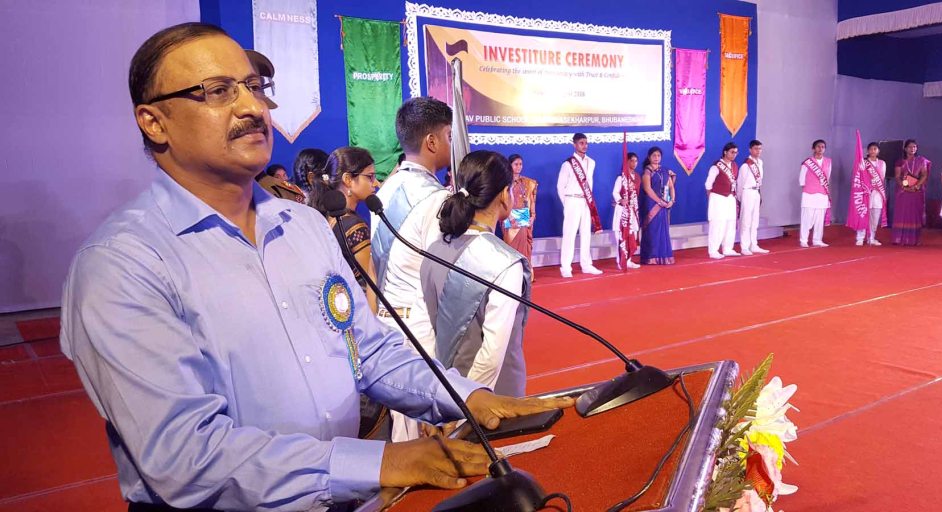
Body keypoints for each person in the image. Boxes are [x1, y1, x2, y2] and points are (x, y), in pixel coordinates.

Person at [59, 23, 571, 512]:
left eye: (254, 87)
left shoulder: (302, 226)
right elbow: (184, 455)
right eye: (217, 91)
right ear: (154, 121)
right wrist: (381, 461)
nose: (251, 107)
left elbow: (368, 352)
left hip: (349, 499)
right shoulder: (123, 264)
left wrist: (467, 397)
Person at [370, 96, 455, 442]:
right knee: (426, 436)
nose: (452, 143)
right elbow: (442, 275)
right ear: (431, 141)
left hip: (387, 320)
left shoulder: (385, 187)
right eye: (449, 136)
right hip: (419, 325)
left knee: (402, 430)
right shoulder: (436, 197)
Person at [422, 150, 530, 397]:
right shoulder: (504, 262)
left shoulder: (434, 249)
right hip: (490, 399)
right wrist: (468, 403)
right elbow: (492, 355)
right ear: (505, 195)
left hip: (444, 389)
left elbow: (429, 329)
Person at [309, 146, 381, 313]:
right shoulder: (355, 227)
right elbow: (369, 286)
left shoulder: (326, 219)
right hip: (358, 315)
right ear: (348, 179)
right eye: (370, 177)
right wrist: (373, 325)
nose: (375, 183)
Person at [557, 133, 603, 277]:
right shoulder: (568, 164)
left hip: (586, 201)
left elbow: (590, 183)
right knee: (569, 234)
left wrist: (589, 200)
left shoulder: (592, 162)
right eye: (581, 143)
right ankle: (566, 267)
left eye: (586, 143)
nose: (584, 145)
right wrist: (567, 203)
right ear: (574, 144)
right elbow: (560, 186)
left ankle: (586, 264)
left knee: (586, 233)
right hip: (572, 200)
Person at [639, 146, 676, 264]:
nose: (656, 157)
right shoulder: (647, 171)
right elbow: (647, 189)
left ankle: (663, 256)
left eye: (658, 155)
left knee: (663, 230)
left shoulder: (664, 171)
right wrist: (659, 201)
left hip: (664, 204)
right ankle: (650, 257)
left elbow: (671, 186)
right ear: (649, 157)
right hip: (651, 204)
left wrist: (671, 200)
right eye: (654, 155)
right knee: (652, 230)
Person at [502, 154, 538, 276]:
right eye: (516, 164)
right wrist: (509, 217)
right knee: (511, 247)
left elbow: (531, 201)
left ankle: (525, 274)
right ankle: (512, 275)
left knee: (525, 246)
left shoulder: (527, 183)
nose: (519, 167)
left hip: (524, 218)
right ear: (510, 165)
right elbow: (501, 202)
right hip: (509, 218)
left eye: (520, 164)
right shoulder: (504, 183)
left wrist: (533, 216)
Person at [705, 143, 741, 259]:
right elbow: (708, 185)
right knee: (717, 224)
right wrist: (712, 199)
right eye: (732, 152)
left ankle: (727, 248)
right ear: (725, 152)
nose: (734, 154)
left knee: (730, 223)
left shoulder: (734, 166)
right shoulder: (716, 166)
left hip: (730, 197)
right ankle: (713, 250)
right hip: (718, 197)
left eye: (736, 152)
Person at [892, 139, 930, 246]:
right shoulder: (900, 162)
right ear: (905, 149)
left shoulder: (921, 160)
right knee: (903, 214)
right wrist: (906, 187)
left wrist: (917, 186)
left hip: (917, 191)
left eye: (914, 147)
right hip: (903, 191)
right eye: (910, 147)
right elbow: (898, 177)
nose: (912, 149)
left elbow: (924, 175)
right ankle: (900, 239)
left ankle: (913, 239)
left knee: (914, 214)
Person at [849, 142, 888, 246]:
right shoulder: (863, 163)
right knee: (863, 214)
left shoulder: (882, 163)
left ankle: (871, 237)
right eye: (871, 149)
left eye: (875, 149)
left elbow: (882, 177)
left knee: (875, 216)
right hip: (865, 193)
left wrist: (875, 185)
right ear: (867, 151)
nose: (873, 151)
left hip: (878, 193)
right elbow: (859, 176)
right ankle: (860, 238)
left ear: (878, 151)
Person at [737, 140, 769, 254]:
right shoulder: (746, 165)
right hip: (747, 192)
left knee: (755, 220)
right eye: (756, 148)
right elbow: (740, 184)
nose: (758, 151)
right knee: (746, 221)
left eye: (760, 148)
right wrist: (741, 198)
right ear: (750, 150)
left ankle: (753, 244)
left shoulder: (760, 163)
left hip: (756, 192)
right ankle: (744, 246)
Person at [798, 139, 832, 247]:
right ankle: (804, 240)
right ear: (813, 148)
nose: (820, 149)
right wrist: (810, 187)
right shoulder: (807, 163)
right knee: (807, 218)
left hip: (822, 194)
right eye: (818, 146)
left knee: (819, 219)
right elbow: (801, 180)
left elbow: (827, 177)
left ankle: (817, 240)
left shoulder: (828, 161)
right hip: (809, 194)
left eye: (823, 147)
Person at [613, 152, 641, 269]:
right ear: (627, 161)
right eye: (631, 160)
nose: (634, 163)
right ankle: (620, 261)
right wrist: (620, 200)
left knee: (632, 234)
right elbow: (615, 192)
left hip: (633, 210)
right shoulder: (621, 177)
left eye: (636, 161)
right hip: (623, 211)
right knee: (621, 235)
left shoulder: (637, 177)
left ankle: (628, 260)